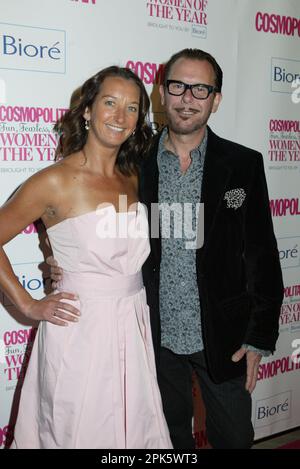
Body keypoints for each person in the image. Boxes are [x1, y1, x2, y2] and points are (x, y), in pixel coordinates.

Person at [49, 49, 284, 449]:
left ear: (216, 99)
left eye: (200, 88)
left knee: (235, 438)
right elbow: (90, 215)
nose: (187, 97)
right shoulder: (136, 164)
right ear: (162, 93)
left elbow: (262, 254)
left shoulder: (243, 164)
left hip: (223, 338)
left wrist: (258, 337)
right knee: (168, 440)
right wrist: (61, 256)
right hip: (152, 334)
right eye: (178, 86)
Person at [0, 66, 172, 449]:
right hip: (80, 329)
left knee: (134, 432)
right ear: (87, 111)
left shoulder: (134, 176)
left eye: (131, 108)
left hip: (132, 322)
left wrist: (50, 249)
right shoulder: (55, 180)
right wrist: (27, 304)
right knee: (77, 430)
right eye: (110, 103)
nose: (120, 117)